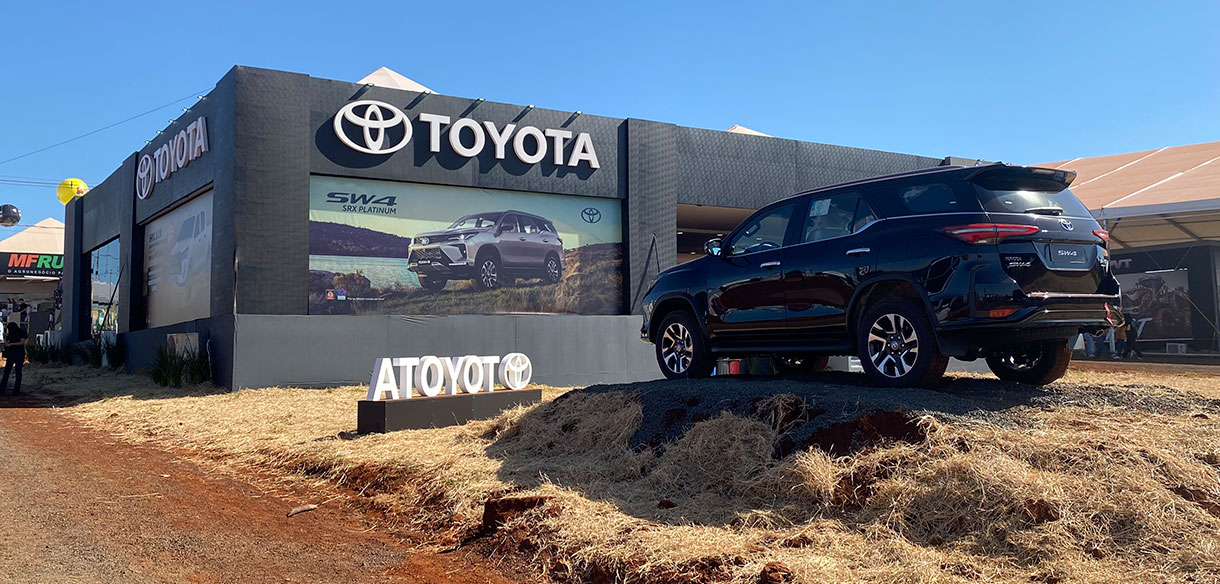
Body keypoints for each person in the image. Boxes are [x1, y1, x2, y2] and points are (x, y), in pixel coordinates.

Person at [1, 322, 27, 395]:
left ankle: (16, 391)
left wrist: (11, 344)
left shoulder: (21, 332)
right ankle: (2, 389)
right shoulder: (11, 334)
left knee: (17, 372)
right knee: (7, 372)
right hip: (12, 354)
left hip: (18, 353)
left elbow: (22, 342)